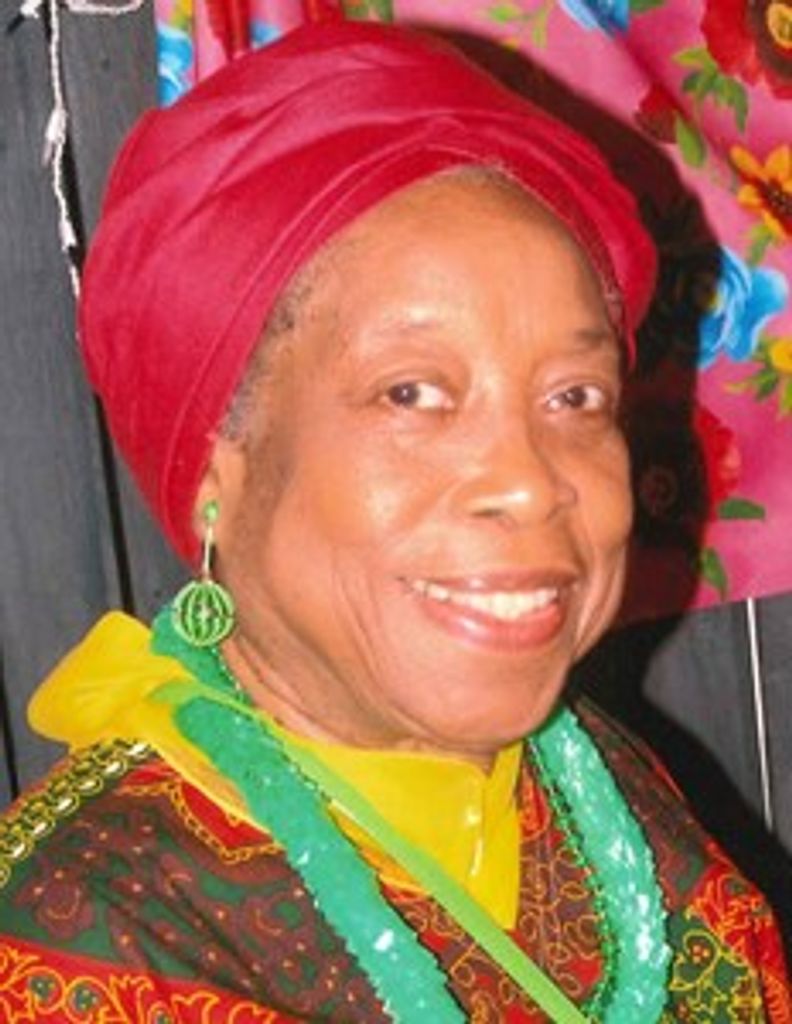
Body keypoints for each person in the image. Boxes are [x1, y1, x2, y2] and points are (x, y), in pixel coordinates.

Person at [0, 20, 788, 1024]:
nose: (528, 484)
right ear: (215, 474)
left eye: (575, 396)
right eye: (411, 393)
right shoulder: (92, 941)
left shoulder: (599, 794)